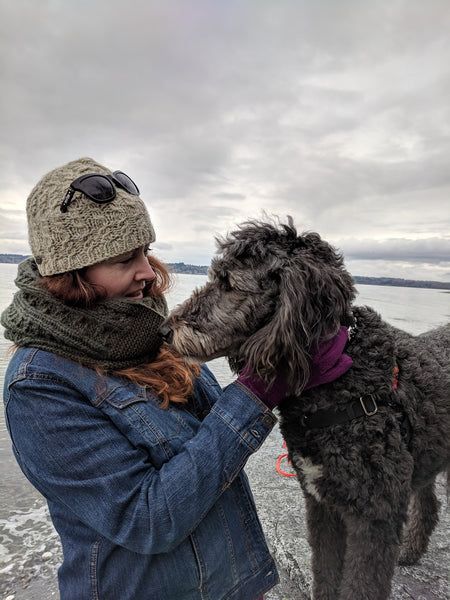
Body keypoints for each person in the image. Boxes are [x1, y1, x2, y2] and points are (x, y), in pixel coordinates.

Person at [1, 157, 352, 600]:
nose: (148, 271)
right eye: (125, 258)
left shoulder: (143, 329)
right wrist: (255, 392)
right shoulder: (38, 385)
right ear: (72, 275)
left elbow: (206, 442)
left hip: (233, 585)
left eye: (146, 251)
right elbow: (146, 520)